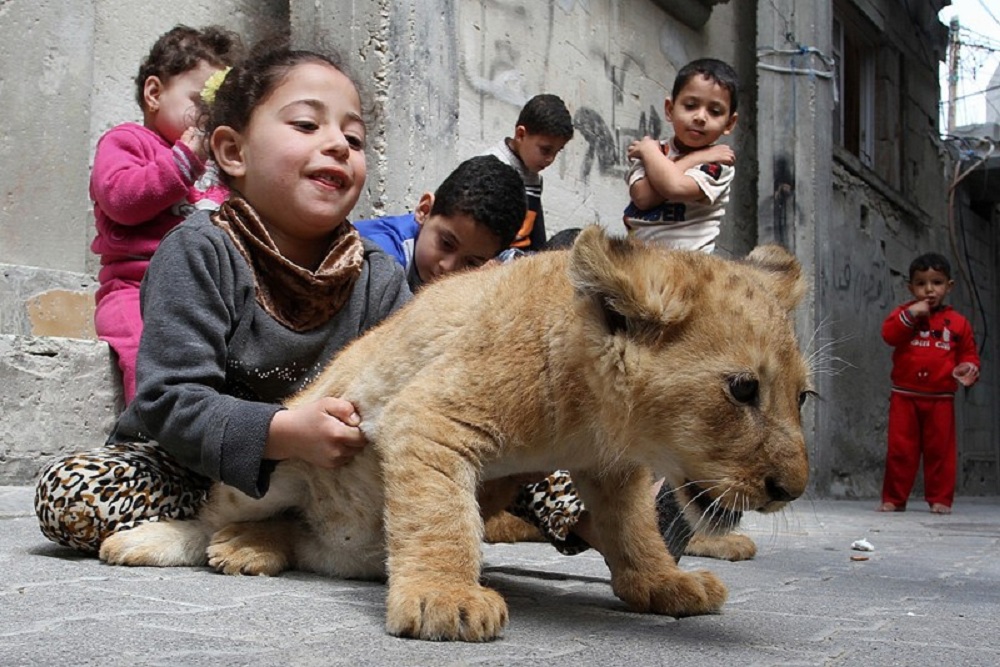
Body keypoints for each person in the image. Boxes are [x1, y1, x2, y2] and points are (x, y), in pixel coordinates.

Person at [34, 44, 411, 554]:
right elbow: (171, 401)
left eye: (354, 136)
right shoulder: (200, 250)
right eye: (306, 125)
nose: (338, 145)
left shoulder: (378, 276)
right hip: (190, 466)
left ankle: (282, 534)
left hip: (321, 480)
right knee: (72, 493)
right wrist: (285, 431)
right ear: (233, 152)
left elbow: (418, 388)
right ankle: (220, 531)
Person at [90, 25, 245, 403]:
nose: (210, 118)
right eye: (200, 102)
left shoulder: (215, 168)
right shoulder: (128, 141)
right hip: (133, 291)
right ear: (154, 93)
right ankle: (147, 436)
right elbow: (120, 200)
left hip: (201, 298)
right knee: (147, 353)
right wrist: (181, 164)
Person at [879, 253, 980, 515]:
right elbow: (889, 335)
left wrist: (968, 369)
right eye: (921, 283)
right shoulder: (904, 314)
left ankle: (940, 499)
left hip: (941, 398)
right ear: (910, 287)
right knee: (901, 450)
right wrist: (911, 314)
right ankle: (894, 499)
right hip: (904, 396)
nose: (929, 290)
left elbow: (969, 354)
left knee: (941, 453)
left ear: (949, 286)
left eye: (936, 282)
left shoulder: (959, 323)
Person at [353, 155, 525, 291]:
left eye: (471, 263)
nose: (448, 268)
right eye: (446, 244)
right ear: (425, 210)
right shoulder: (377, 264)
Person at [624, 57, 739, 253]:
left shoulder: (718, 164)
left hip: (689, 267)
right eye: (690, 105)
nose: (700, 117)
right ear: (670, 109)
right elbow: (644, 198)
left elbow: (675, 187)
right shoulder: (653, 151)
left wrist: (652, 152)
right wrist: (693, 158)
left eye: (715, 111)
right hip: (639, 262)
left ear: (729, 123)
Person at [482, 93, 574, 251]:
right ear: (520, 134)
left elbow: (538, 241)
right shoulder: (488, 168)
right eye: (545, 150)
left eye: (557, 152)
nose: (550, 159)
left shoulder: (534, 179)